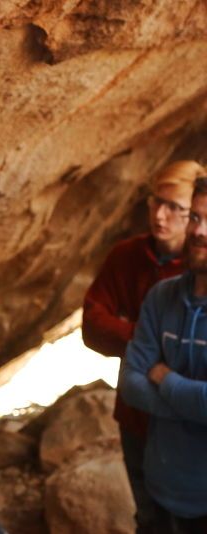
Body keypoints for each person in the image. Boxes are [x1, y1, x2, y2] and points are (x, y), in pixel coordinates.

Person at [82, 160, 204, 532]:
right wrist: (143, 345)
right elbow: (92, 324)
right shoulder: (130, 258)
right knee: (150, 516)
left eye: (176, 208)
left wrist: (152, 362)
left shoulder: (196, 265)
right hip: (138, 416)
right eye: (156, 202)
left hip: (192, 438)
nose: (160, 215)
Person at [119, 173, 207, 533]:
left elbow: (148, 378)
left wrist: (164, 377)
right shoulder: (162, 297)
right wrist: (194, 406)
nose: (201, 232)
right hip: (161, 486)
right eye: (198, 218)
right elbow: (130, 383)